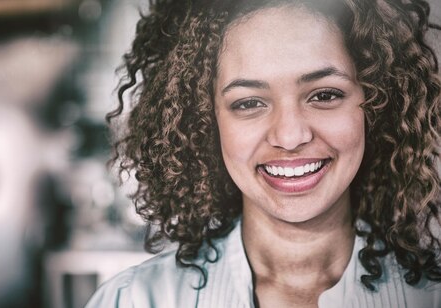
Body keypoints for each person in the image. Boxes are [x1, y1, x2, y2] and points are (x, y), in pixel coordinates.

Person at [86, 0, 441, 307]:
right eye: (249, 103)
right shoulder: (133, 301)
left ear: (376, 104)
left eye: (325, 95)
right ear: (206, 121)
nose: (290, 136)